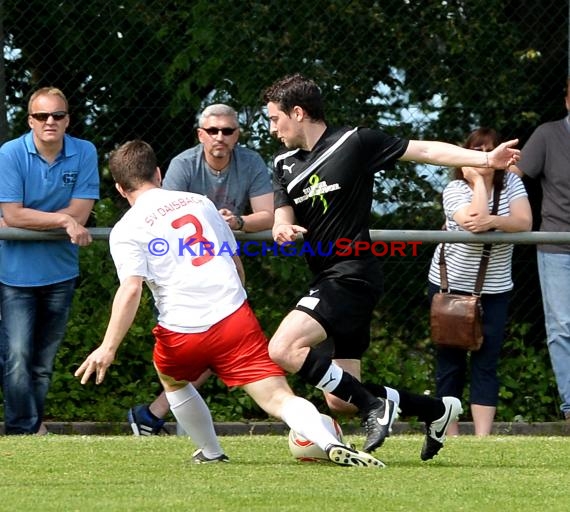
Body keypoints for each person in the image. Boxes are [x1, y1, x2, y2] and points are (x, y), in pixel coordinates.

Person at [76, 139, 384, 468]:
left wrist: (108, 347)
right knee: (278, 397)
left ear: (121, 189)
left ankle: (211, 451)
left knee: (173, 380)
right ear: (158, 173)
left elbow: (131, 289)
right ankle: (329, 441)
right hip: (232, 318)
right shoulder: (199, 202)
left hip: (181, 333)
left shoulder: (126, 229)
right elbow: (234, 262)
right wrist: (239, 306)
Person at [262, 73, 520, 460]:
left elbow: (426, 152)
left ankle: (374, 407)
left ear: (297, 113)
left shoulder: (355, 142)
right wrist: (282, 225)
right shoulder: (283, 162)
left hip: (352, 273)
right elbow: (282, 209)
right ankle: (435, 409)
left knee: (282, 348)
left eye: (274, 118)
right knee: (339, 400)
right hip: (327, 276)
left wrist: (485, 158)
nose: (272, 129)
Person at [128, 104, 274, 435]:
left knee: (208, 349)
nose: (220, 137)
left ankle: (156, 418)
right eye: (213, 131)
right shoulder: (183, 164)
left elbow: (268, 215)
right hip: (181, 269)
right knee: (195, 352)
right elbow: (161, 217)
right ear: (200, 134)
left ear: (237, 134)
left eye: (228, 131)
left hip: (225, 264)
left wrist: (238, 221)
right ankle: (159, 417)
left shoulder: (250, 162)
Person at [0, 87, 99, 435]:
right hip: (14, 276)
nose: (50, 122)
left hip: (60, 272)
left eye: (58, 115)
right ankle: (23, 429)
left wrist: (58, 218)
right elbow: (12, 215)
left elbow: (81, 212)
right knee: (15, 358)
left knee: (42, 364)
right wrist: (61, 221)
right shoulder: (10, 153)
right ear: (30, 120)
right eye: (42, 116)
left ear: (68, 119)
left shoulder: (84, 152)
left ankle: (30, 427)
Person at [428, 128, 532, 436]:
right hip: (450, 286)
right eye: (477, 152)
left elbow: (524, 222)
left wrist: (495, 222)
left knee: (487, 360)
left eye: (488, 152)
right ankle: (450, 433)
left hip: (495, 288)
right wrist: (478, 183)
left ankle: (483, 438)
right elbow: (473, 222)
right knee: (450, 361)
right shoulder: (455, 189)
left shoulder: (512, 182)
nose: (484, 159)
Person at [510, 80, 570, 422]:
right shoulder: (548, 135)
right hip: (557, 246)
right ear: (566, 100)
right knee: (562, 327)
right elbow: (515, 175)